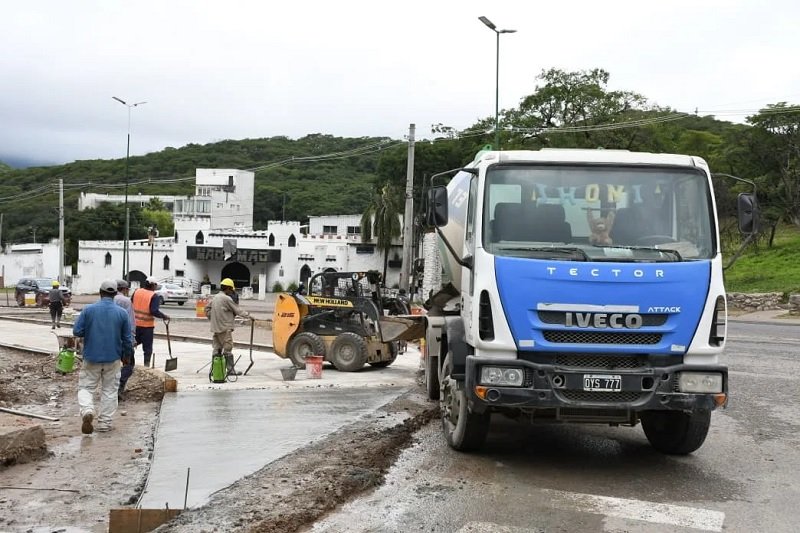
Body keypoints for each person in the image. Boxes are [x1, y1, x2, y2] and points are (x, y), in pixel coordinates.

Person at [73, 280, 133, 434]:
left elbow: (77, 331)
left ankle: (87, 410)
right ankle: (105, 424)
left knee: (86, 387)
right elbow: (127, 339)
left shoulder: (88, 310)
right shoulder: (122, 313)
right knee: (110, 391)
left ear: (100, 293)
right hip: (113, 358)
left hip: (91, 357)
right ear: (115, 294)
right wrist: (127, 356)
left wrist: (90, 330)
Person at [205, 278, 250, 377]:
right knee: (227, 349)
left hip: (216, 328)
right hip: (225, 328)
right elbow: (238, 310)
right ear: (228, 288)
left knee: (216, 349)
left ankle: (215, 369)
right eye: (231, 289)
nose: (232, 292)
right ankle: (230, 370)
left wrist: (212, 318)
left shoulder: (215, 297)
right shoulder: (226, 299)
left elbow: (207, 309)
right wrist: (249, 315)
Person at [132, 276, 170, 367]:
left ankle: (128, 362)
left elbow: (131, 303)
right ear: (153, 285)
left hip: (134, 324)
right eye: (156, 285)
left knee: (132, 343)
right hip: (147, 326)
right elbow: (154, 311)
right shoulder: (153, 296)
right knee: (147, 348)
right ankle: (146, 365)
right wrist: (164, 316)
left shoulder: (136, 292)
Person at [114, 279, 137, 401]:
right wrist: (132, 339)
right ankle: (119, 387)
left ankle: (110, 389)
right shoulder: (126, 301)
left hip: (110, 340)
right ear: (124, 289)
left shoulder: (108, 300)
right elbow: (130, 322)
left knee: (112, 365)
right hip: (124, 339)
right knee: (129, 364)